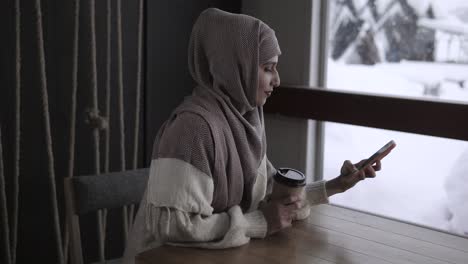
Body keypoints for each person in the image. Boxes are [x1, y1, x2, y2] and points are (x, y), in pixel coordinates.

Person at [123, 8, 382, 264]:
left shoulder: (245, 120)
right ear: (235, 66)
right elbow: (175, 227)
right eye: (268, 68)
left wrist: (335, 185)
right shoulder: (193, 129)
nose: (277, 80)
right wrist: (259, 222)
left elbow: (270, 196)